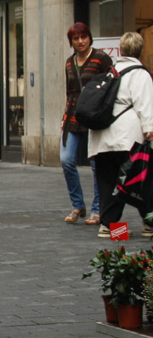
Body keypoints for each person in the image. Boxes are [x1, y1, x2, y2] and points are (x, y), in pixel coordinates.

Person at [88, 32, 153, 238]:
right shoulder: (140, 74)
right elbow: (145, 104)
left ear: (121, 50)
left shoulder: (111, 71)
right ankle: (149, 224)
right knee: (138, 180)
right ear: (140, 50)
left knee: (108, 182)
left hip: (102, 139)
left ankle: (109, 227)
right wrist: (149, 128)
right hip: (127, 139)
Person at [61, 23, 113, 225]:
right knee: (66, 160)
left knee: (96, 165)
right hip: (72, 118)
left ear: (89, 38)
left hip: (95, 119)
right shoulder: (69, 62)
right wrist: (64, 117)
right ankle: (77, 205)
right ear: (71, 42)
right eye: (76, 38)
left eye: (83, 37)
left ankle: (97, 210)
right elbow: (69, 92)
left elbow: (111, 87)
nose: (80, 41)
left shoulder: (101, 58)